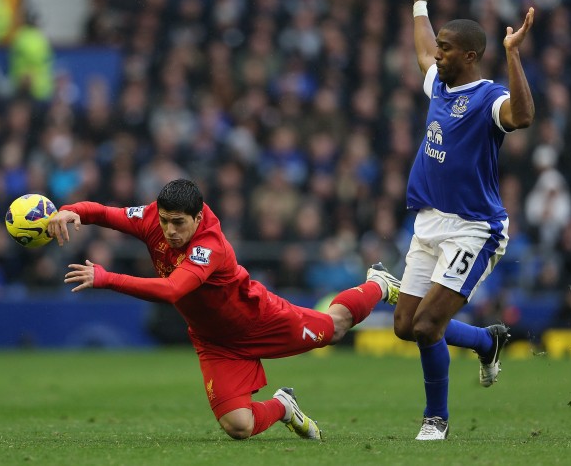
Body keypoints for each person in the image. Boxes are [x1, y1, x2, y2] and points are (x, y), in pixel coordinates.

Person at [48, 178, 400, 441]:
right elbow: (103, 213)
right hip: (214, 340)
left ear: (198, 217)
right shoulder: (152, 218)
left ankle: (378, 283)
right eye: (165, 221)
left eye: (179, 223)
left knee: (335, 329)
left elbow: (173, 290)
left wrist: (107, 278)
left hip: (259, 320)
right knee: (238, 427)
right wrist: (71, 211)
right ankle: (283, 406)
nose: (169, 231)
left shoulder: (210, 246)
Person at [392, 0, 535, 440]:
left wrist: (514, 55)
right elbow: (420, 45)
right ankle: (485, 341)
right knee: (405, 325)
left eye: (447, 49)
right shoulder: (439, 85)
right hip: (430, 222)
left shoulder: (489, 98)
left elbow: (524, 115)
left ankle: (436, 420)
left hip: (474, 227)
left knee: (429, 325)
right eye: (440, 46)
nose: (438, 53)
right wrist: (419, 4)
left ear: (471, 56)